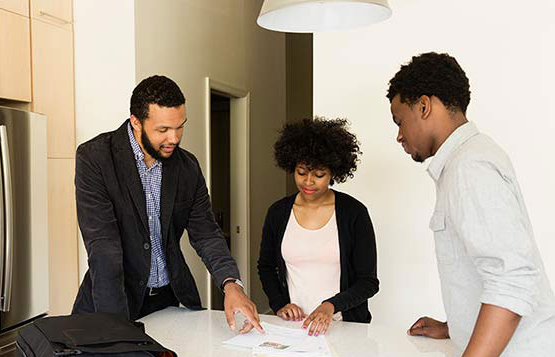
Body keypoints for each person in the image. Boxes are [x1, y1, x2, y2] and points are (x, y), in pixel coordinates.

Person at [389, 52, 555, 357]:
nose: (399, 135)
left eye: (400, 121)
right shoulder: (468, 160)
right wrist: (455, 325)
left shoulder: (470, 166)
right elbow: (496, 267)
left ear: (425, 106)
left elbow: (513, 280)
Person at [72, 75, 262, 333]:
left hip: (169, 301)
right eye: (163, 130)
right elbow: (103, 248)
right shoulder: (96, 159)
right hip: (113, 304)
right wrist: (116, 330)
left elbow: (206, 234)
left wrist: (231, 284)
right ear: (136, 122)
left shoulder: (187, 167)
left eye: (180, 127)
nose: (174, 138)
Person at [257, 117, 379, 336]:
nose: (308, 182)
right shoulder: (278, 212)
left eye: (319, 175)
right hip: (294, 328)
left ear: (333, 172)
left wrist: (330, 306)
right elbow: (265, 267)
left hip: (344, 327)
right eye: (301, 173)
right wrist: (279, 304)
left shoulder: (354, 213)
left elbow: (368, 282)